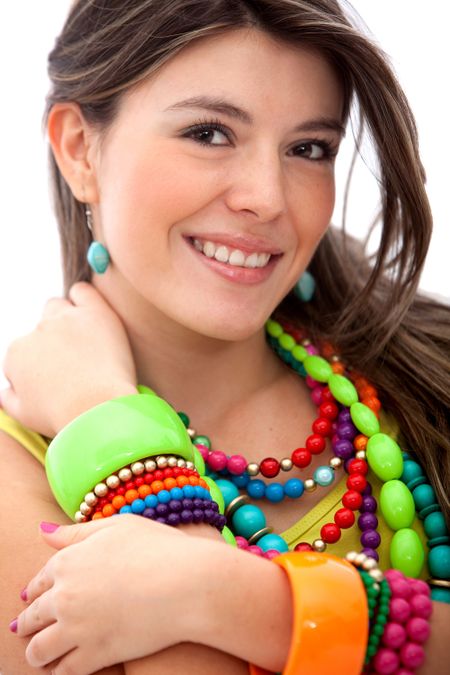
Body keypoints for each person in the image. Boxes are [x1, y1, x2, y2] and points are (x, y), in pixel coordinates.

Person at [1, 1, 449, 673]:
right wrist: (108, 428)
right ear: (77, 149)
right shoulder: (18, 480)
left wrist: (222, 593)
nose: (267, 197)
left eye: (308, 149)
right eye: (209, 133)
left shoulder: (429, 370)